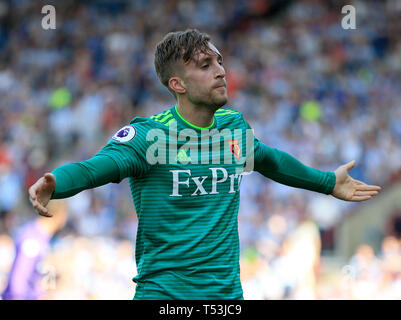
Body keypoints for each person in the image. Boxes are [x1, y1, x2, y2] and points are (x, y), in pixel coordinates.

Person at [28, 29, 381, 300]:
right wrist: (57, 182)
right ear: (177, 84)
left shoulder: (233, 127)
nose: (221, 72)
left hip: (227, 296)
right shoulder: (150, 136)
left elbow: (269, 160)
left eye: (219, 62)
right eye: (206, 66)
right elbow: (95, 168)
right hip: (165, 296)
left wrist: (326, 182)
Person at [2, 200, 68, 300]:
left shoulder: (43, 236)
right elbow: (18, 280)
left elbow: (39, 275)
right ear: (60, 214)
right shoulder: (33, 238)